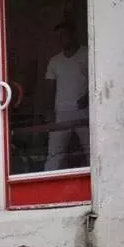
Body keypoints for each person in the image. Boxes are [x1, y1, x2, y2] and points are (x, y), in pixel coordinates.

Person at [44, 21, 89, 171]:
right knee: (55, 154)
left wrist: (88, 97)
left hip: (84, 111)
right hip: (61, 113)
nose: (61, 39)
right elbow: (49, 88)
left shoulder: (88, 53)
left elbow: (98, 79)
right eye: (58, 37)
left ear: (73, 35)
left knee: (91, 149)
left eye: (64, 35)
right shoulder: (54, 61)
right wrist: (49, 111)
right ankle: (48, 184)